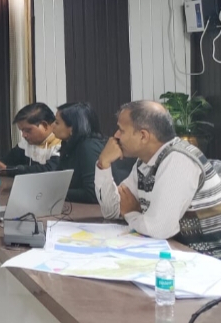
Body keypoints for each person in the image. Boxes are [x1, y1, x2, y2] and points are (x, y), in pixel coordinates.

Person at [95, 101, 221, 257]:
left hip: (207, 261)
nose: (116, 136)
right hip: (175, 252)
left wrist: (132, 213)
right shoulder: (145, 162)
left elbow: (159, 230)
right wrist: (103, 164)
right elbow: (112, 211)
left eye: (121, 130)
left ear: (143, 136)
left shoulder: (179, 160)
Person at [50, 102, 105, 204]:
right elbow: (58, 179)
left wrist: (55, 193)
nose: (52, 126)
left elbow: (93, 193)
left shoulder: (88, 147)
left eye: (57, 123)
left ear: (72, 128)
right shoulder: (68, 144)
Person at [0, 103, 60, 175]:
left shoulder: (60, 144)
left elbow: (50, 170)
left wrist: (8, 170)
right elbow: (8, 160)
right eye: (22, 131)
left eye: (28, 130)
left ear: (44, 125)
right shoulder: (27, 143)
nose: (24, 135)